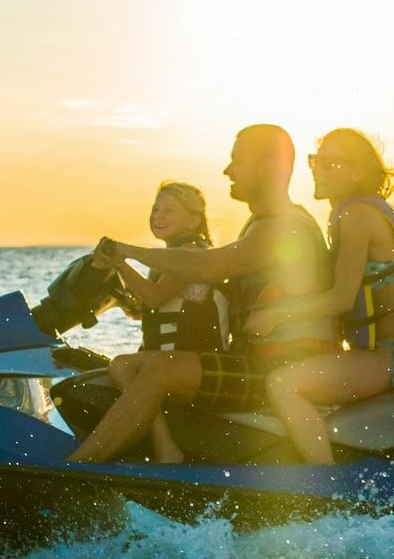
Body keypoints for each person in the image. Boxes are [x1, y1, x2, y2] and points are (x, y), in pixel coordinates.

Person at [64, 124, 333, 464]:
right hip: (255, 361)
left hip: (283, 368)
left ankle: (79, 466)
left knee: (160, 369)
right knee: (124, 365)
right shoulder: (261, 224)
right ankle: (163, 451)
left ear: (268, 165)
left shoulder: (285, 227)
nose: (228, 171)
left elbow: (207, 266)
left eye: (237, 160)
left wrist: (126, 252)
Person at [247, 128, 394, 465]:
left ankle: (326, 479)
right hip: (391, 355)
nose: (318, 170)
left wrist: (273, 315)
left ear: (357, 172)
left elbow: (342, 298)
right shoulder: (356, 212)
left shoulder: (356, 215)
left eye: (331, 164)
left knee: (283, 383)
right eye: (316, 161)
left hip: (392, 357)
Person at [102, 180, 229, 355]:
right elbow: (158, 302)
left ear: (193, 220)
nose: (158, 216)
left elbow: (155, 297)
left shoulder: (192, 252)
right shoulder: (166, 258)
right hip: (166, 356)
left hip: (194, 358)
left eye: (169, 210)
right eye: (155, 209)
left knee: (120, 365)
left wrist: (118, 262)